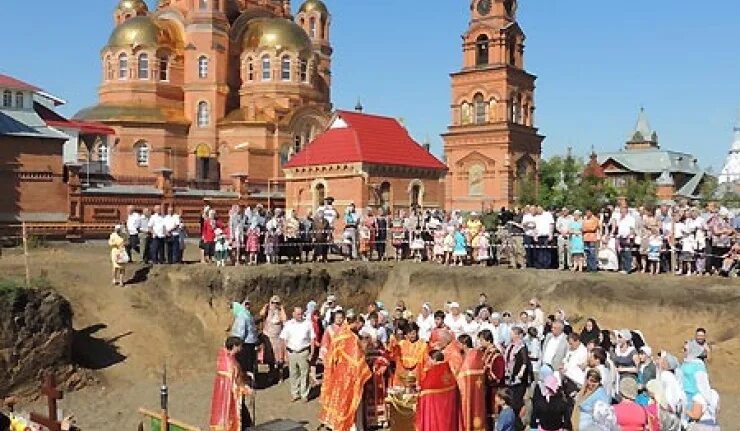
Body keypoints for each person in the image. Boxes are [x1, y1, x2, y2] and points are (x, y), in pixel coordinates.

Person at [318, 322, 371, 431]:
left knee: (339, 402)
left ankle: (337, 425)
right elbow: (358, 363)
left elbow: (331, 359)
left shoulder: (339, 337)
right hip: (351, 377)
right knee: (351, 403)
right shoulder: (352, 339)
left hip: (339, 375)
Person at [209, 336, 251, 431]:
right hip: (231, 396)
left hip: (221, 393)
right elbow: (234, 384)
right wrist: (246, 389)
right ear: (235, 347)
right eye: (239, 346)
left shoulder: (223, 356)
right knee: (242, 419)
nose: (241, 348)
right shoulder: (231, 366)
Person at [415, 350, 460, 431]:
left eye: (429, 359)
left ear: (434, 360)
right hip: (448, 414)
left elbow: (423, 392)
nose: (428, 362)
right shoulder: (449, 372)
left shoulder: (432, 374)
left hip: (434, 414)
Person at [280, 306, 315, 402]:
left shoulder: (308, 323)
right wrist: (284, 354)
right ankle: (295, 393)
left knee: (305, 373)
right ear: (293, 314)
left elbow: (312, 338)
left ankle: (304, 394)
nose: (300, 316)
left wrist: (312, 352)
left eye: (301, 313)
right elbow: (283, 339)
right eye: (298, 314)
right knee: (294, 374)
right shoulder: (288, 324)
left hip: (304, 351)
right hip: (291, 352)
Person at [457, 334, 486, 431]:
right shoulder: (477, 354)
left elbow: (461, 378)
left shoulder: (470, 358)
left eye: (458, 343)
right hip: (479, 391)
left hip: (469, 392)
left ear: (464, 344)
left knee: (469, 411)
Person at [504, 326, 531, 426]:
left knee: (516, 401)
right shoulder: (511, 345)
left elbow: (525, 361)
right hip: (509, 375)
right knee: (510, 399)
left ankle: (518, 423)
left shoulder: (521, 346)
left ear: (517, 335)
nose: (511, 335)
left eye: (513, 333)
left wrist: (521, 372)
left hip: (518, 378)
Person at [259, 295, 287, 384]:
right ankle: (271, 375)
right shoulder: (268, 311)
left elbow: (284, 320)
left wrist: (281, 308)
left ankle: (280, 376)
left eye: (276, 303)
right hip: (269, 338)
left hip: (278, 339)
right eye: (273, 302)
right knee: (269, 359)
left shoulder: (279, 312)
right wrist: (266, 306)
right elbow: (261, 314)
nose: (274, 304)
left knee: (279, 359)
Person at [230, 299, 258, 377]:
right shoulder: (248, 314)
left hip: (244, 344)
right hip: (251, 343)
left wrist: (236, 343)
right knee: (250, 364)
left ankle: (245, 383)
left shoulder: (241, 316)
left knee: (244, 364)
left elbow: (241, 331)